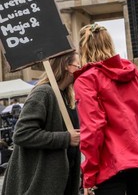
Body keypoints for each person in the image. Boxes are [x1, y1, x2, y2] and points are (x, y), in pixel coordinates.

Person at [75, 23, 138, 195]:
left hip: (111, 162)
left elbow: (93, 129)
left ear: (83, 49)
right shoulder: (131, 70)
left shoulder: (86, 80)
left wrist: (89, 174)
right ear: (110, 43)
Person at [2, 50, 82, 195]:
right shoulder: (43, 93)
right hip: (40, 184)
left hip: (62, 182)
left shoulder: (65, 96)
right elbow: (22, 134)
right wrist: (66, 138)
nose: (80, 69)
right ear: (66, 66)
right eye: (77, 65)